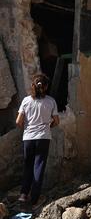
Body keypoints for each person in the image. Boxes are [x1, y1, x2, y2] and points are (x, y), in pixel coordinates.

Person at [15, 73, 60, 206]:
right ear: (45, 87)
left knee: (28, 165)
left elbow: (18, 121)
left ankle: (23, 195)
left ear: (33, 86)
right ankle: (34, 199)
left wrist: (28, 129)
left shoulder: (26, 101)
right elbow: (57, 121)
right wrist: (48, 126)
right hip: (43, 138)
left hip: (28, 138)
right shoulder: (51, 101)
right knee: (38, 166)